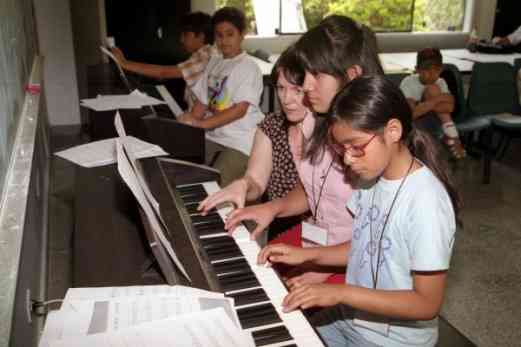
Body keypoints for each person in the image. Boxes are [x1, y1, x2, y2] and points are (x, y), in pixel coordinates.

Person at [258, 75, 460, 347]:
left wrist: (339, 292)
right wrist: (306, 255)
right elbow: (366, 244)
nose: (347, 159)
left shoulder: (426, 203)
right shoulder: (369, 179)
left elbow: (426, 304)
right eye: (342, 148)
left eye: (356, 146)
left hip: (393, 342)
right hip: (348, 320)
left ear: (393, 131)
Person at [223, 15, 384, 286]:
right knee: (251, 269)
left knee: (272, 288)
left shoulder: (371, 143)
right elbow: (312, 189)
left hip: (356, 258)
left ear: (352, 76)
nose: (306, 88)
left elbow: (379, 241)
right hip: (319, 238)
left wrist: (319, 265)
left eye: (315, 75)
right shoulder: (318, 120)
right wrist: (272, 208)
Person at [197, 45, 306, 239]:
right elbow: (256, 180)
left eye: (297, 90)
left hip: (317, 228)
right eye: (281, 88)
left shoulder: (327, 130)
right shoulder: (271, 125)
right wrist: (243, 184)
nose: (287, 99)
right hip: (278, 225)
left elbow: (312, 194)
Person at [178, 7, 264, 186]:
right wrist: (187, 126)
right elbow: (202, 102)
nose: (224, 40)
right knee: (180, 166)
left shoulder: (248, 67)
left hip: (241, 142)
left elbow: (238, 111)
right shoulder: (214, 63)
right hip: (214, 136)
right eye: (219, 35)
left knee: (214, 186)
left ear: (242, 35)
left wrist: (199, 125)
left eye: (230, 34)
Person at [111, 11, 215, 108]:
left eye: (185, 35)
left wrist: (124, 63)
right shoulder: (204, 53)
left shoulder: (204, 55)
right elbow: (170, 73)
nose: (181, 40)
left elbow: (163, 72)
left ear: (200, 36)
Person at [400, 47, 466, 159]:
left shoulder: (441, 81)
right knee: (433, 90)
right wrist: (438, 99)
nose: (431, 74)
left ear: (441, 70)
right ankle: (452, 136)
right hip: (415, 124)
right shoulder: (408, 82)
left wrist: (422, 105)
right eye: (426, 70)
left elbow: (450, 108)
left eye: (436, 70)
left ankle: (451, 137)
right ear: (417, 69)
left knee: (433, 89)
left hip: (434, 120)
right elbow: (411, 114)